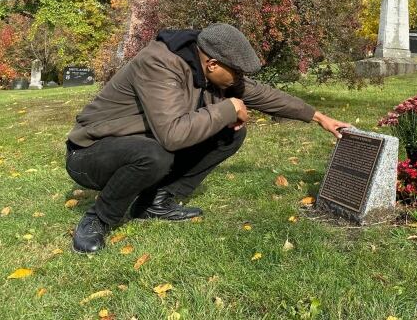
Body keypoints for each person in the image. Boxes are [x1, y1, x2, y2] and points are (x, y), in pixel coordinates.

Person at [65, 23, 350, 253]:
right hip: (90, 153)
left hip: (144, 144)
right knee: (155, 154)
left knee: (228, 135)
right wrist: (229, 108)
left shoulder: (207, 68)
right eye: (236, 72)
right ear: (213, 64)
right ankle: (99, 218)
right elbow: (173, 135)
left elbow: (263, 94)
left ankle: (155, 203)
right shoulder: (159, 64)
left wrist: (318, 117)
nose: (239, 79)